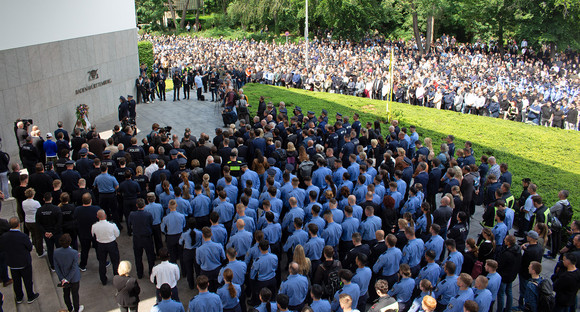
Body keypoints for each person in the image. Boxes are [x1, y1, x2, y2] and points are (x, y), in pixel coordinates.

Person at [0, 217, 40, 304]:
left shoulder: (4, 237)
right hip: (24, 262)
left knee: (16, 281)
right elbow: (29, 247)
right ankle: (30, 296)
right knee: (28, 280)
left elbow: (2, 248)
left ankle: (19, 297)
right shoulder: (23, 236)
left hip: (12, 263)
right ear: (18, 225)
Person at [53, 234, 83, 312]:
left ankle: (70, 308)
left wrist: (62, 278)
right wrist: (67, 279)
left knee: (66, 294)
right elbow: (74, 267)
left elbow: (56, 267)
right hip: (74, 277)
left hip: (63, 276)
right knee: (75, 294)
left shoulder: (56, 252)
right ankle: (76, 309)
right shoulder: (74, 252)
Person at [128, 198, 156, 279]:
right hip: (147, 237)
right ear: (144, 205)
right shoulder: (148, 215)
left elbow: (129, 223)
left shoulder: (132, 214)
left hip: (137, 238)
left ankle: (139, 274)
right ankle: (151, 273)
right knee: (150, 257)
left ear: (136, 205)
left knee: (138, 257)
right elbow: (151, 223)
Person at [91, 209, 121, 285]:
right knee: (115, 261)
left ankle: (103, 280)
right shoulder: (112, 225)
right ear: (105, 216)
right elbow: (117, 234)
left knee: (102, 262)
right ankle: (116, 277)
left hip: (101, 245)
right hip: (111, 244)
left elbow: (93, 235)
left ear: (97, 217)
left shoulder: (94, 226)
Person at [36, 191, 63, 271]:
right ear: (51, 198)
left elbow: (38, 223)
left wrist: (45, 232)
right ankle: (60, 263)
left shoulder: (39, 210)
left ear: (44, 199)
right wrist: (53, 232)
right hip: (56, 232)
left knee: (50, 249)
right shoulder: (57, 209)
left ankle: (53, 266)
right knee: (59, 248)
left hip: (47, 233)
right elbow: (59, 222)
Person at [496, 235, 521, 312]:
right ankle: (508, 309)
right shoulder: (518, 250)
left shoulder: (507, 254)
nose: (504, 241)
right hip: (512, 275)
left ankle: (499, 310)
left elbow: (500, 265)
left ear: (508, 242)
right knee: (509, 292)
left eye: (505, 240)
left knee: (501, 294)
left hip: (504, 276)